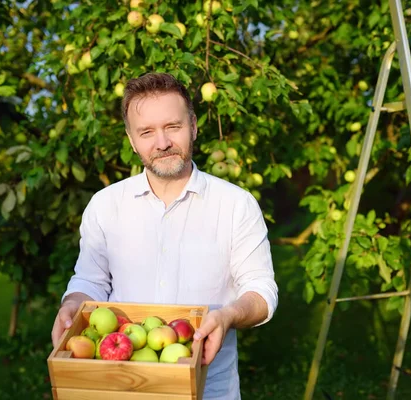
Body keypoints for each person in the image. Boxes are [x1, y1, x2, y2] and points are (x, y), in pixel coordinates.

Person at [50, 72, 278, 399]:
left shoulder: (235, 204)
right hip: (121, 388)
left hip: (209, 388)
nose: (162, 142)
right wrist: (73, 306)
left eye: (173, 127)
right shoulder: (104, 205)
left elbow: (261, 290)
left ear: (194, 126)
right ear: (131, 140)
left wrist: (227, 316)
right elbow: (91, 281)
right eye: (146, 132)